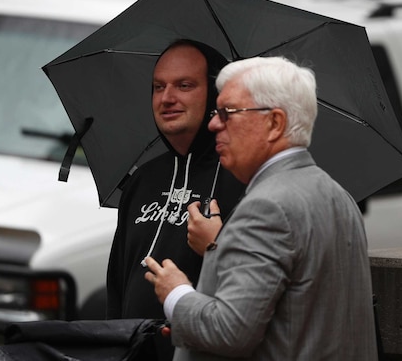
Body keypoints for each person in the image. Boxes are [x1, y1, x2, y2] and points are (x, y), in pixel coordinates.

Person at [144, 56, 378, 360]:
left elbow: (230, 331)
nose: (214, 123)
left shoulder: (267, 207)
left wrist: (176, 294)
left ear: (274, 123)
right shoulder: (338, 195)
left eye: (228, 113)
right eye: (217, 113)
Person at [106, 41, 245, 332]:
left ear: (215, 96)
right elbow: (117, 286)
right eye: (158, 87)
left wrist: (216, 244)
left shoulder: (242, 179)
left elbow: (252, 291)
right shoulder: (143, 179)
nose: (166, 98)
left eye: (184, 85)